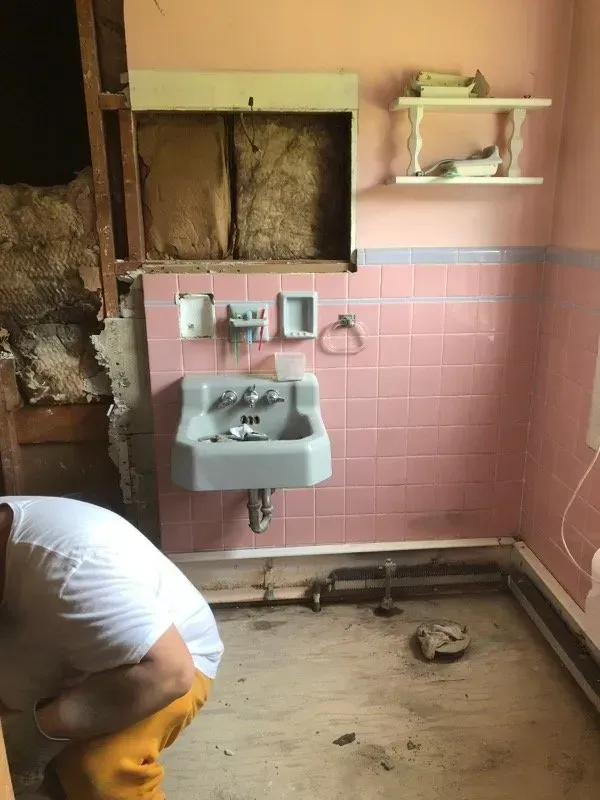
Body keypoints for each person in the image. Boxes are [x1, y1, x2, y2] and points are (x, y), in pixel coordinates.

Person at [0, 496, 223, 799]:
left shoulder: (72, 569)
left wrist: (38, 732)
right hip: (69, 652)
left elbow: (171, 672)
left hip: (163, 658)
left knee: (98, 768)